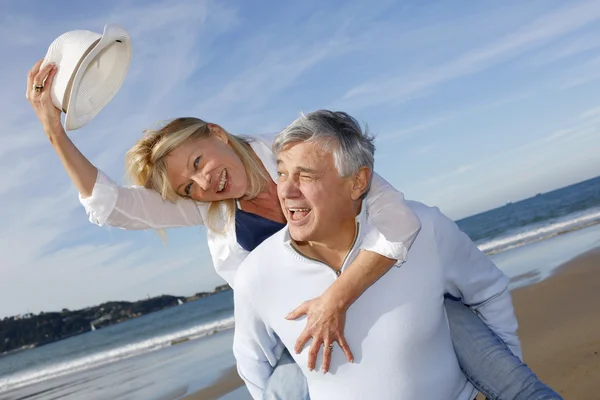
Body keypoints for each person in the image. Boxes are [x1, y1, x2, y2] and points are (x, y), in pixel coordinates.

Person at [27, 61, 560, 399]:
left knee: (496, 365)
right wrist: (53, 131)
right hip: (298, 332)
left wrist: (337, 297)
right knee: (282, 385)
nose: (203, 182)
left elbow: (398, 219)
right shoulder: (209, 211)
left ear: (215, 133)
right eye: (188, 186)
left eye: (196, 160)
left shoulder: (301, 152)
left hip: (378, 285)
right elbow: (113, 206)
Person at [233, 110, 562, 400]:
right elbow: (253, 361)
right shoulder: (256, 274)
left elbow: (488, 292)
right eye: (282, 173)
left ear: (357, 182)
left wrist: (503, 385)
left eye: (305, 175)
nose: (287, 190)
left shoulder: (425, 229)